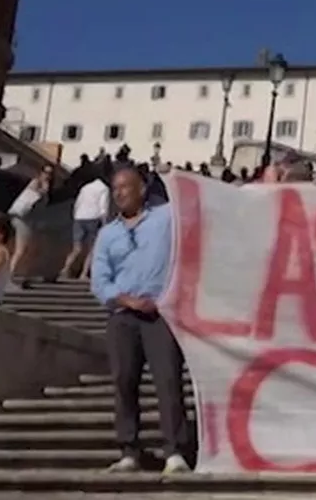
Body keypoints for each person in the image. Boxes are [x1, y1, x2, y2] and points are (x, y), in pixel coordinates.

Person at [89, 167, 192, 474]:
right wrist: (125, 299)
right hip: (122, 316)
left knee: (169, 380)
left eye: (126, 187)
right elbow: (100, 280)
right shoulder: (108, 234)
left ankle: (175, 450)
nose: (120, 193)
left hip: (161, 315)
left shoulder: (165, 219)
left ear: (143, 189)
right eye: (115, 188)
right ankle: (129, 450)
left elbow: (195, 207)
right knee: (124, 382)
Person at [60, 169, 111, 281]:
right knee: (92, 249)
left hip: (79, 217)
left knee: (77, 248)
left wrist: (75, 216)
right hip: (93, 218)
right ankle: (83, 274)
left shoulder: (85, 187)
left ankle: (65, 268)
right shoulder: (104, 189)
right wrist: (105, 223)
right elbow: (103, 208)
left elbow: (77, 203)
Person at [7, 165, 52, 283]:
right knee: (21, 249)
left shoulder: (44, 187)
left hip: (31, 221)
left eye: (50, 173)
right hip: (23, 219)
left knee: (31, 250)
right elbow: (35, 196)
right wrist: (44, 189)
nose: (48, 176)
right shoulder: (36, 183)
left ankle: (26, 276)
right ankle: (9, 274)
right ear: (40, 173)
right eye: (46, 172)